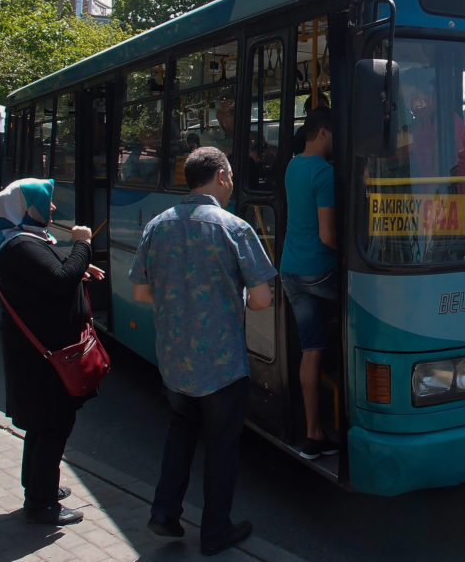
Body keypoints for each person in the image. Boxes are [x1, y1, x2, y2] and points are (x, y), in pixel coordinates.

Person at [129, 147, 276, 556]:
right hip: (222, 363)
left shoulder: (158, 226)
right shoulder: (234, 227)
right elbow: (262, 300)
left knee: (179, 433)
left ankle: (164, 513)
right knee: (222, 447)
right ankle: (215, 531)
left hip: (174, 360)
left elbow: (141, 291)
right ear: (224, 176)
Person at [0, 178, 106, 526]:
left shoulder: (22, 242)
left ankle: (37, 485)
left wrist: (79, 269)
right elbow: (59, 278)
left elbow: (49, 279)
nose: (52, 208)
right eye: (45, 202)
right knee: (52, 426)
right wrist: (83, 245)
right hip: (44, 359)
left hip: (39, 355)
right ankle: (42, 502)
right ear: (25, 208)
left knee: (41, 425)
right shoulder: (20, 246)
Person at [281, 109, 339, 460]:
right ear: (321, 133)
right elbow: (328, 235)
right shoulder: (324, 173)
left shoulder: (292, 166)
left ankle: (313, 434)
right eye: (333, 135)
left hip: (290, 270)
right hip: (320, 271)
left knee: (311, 349)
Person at [402, 74, 465, 194]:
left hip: (457, 195)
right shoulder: (420, 123)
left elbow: (445, 164)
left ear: (430, 94)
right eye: (406, 100)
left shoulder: (449, 121)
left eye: (414, 96)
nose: (411, 104)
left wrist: (429, 195)